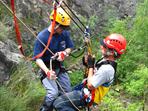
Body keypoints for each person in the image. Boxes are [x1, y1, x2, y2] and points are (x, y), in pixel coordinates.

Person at [53, 33, 127, 111]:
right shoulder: (105, 60)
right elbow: (94, 74)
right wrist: (88, 65)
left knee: (58, 103)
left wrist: (91, 66)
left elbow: (90, 85)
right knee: (64, 95)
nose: (102, 47)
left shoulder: (107, 69)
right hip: (85, 90)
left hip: (89, 96)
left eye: (105, 47)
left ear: (112, 52)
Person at [33, 7, 74, 111]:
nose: (64, 30)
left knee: (68, 92)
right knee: (53, 93)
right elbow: (38, 58)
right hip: (46, 68)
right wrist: (47, 72)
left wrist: (64, 53)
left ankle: (60, 108)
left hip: (59, 67)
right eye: (62, 27)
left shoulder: (64, 33)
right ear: (55, 24)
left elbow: (70, 47)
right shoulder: (42, 37)